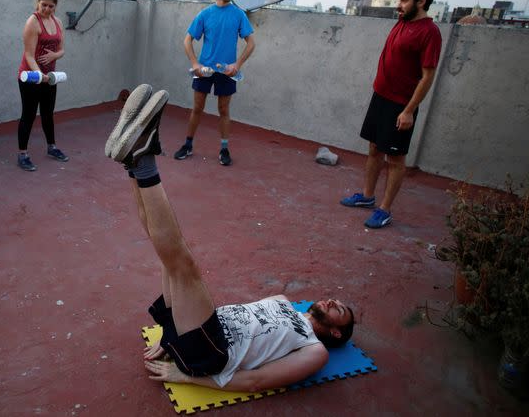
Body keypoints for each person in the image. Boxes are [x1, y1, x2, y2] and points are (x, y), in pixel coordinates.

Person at [106, 84, 355, 391]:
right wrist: (170, 339)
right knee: (168, 260)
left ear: (336, 334)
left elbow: (259, 379)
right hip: (197, 330)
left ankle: (143, 159)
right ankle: (133, 163)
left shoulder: (314, 351)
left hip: (213, 354)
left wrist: (185, 376)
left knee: (183, 265)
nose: (332, 301)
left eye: (338, 309)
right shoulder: (283, 301)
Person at [340, 0, 457, 229]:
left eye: (404, 1)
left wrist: (408, 111)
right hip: (380, 96)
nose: (399, 5)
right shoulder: (404, 19)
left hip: (400, 105)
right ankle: (367, 197)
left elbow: (427, 76)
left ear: (422, 1)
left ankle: (385, 208)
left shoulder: (429, 32)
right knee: (373, 149)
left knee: (395, 158)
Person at [173, 0, 255, 166]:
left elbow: (251, 43)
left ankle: (224, 149)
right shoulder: (205, 14)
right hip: (205, 71)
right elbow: (187, 40)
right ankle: (188, 144)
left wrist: (238, 65)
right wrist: (195, 64)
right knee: (197, 108)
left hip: (227, 72)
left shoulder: (239, 15)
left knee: (224, 110)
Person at [16, 0, 68, 172]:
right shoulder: (33, 22)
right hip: (30, 76)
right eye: (43, 5)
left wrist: (54, 56)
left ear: (55, 7)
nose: (46, 9)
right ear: (38, 3)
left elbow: (61, 50)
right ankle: (22, 154)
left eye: (51, 6)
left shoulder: (58, 22)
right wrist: (40, 75)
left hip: (49, 77)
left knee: (48, 113)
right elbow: (29, 55)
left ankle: (52, 147)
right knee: (28, 115)